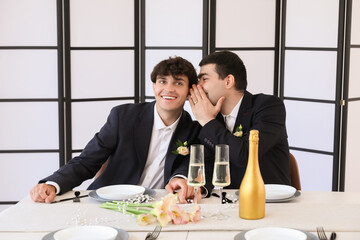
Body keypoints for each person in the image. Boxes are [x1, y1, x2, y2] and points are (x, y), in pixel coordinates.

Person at [30, 56, 200, 204]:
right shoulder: (124, 117)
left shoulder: (193, 130)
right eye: (163, 81)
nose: (169, 89)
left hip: (157, 206)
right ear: (154, 86)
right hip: (109, 202)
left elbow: (185, 168)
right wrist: (53, 183)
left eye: (178, 83)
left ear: (189, 91)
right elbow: (87, 160)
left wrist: (181, 179)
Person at [188, 50, 291, 189]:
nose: (198, 86)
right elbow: (206, 165)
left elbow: (245, 156)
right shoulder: (211, 116)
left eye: (204, 79)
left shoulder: (268, 106)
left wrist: (207, 121)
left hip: (268, 201)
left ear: (228, 81)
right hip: (224, 203)